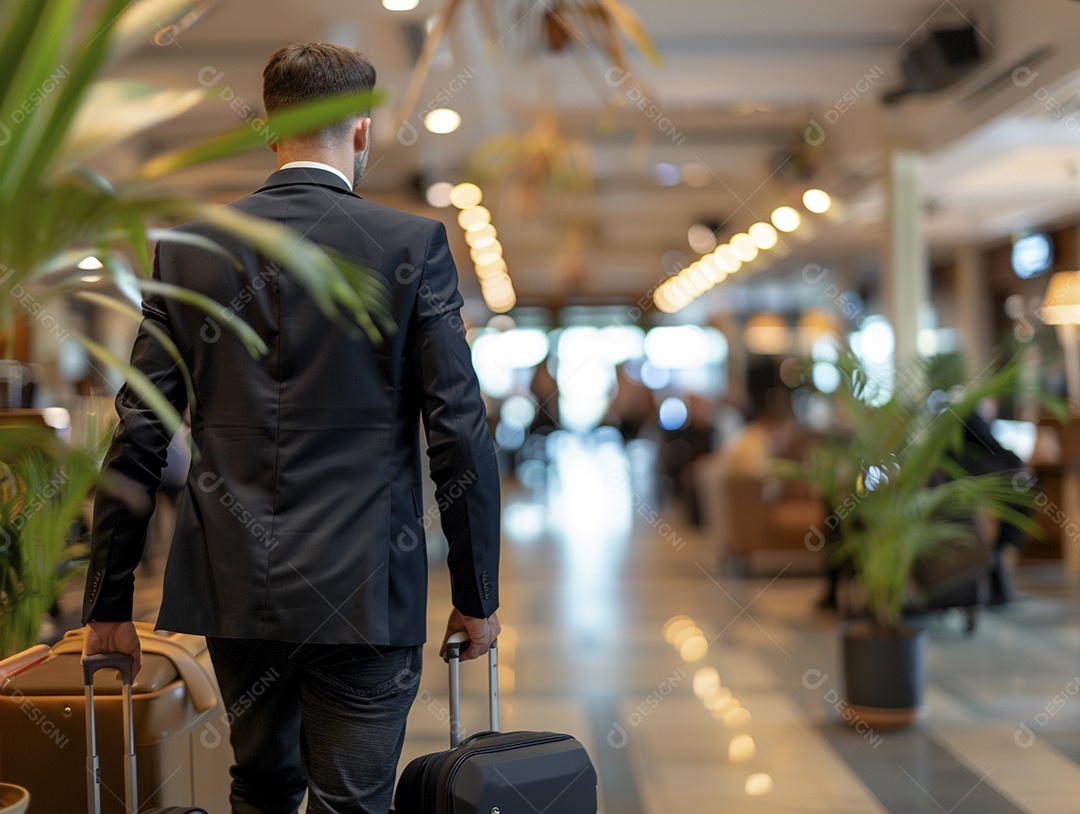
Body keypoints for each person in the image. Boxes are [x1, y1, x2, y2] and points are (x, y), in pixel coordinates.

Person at [81, 43, 501, 814]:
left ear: (270, 130)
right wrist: (478, 593)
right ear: (362, 132)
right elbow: (459, 432)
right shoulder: (411, 247)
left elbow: (138, 436)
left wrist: (108, 603)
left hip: (238, 591)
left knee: (263, 788)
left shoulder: (187, 252)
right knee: (353, 801)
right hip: (367, 591)